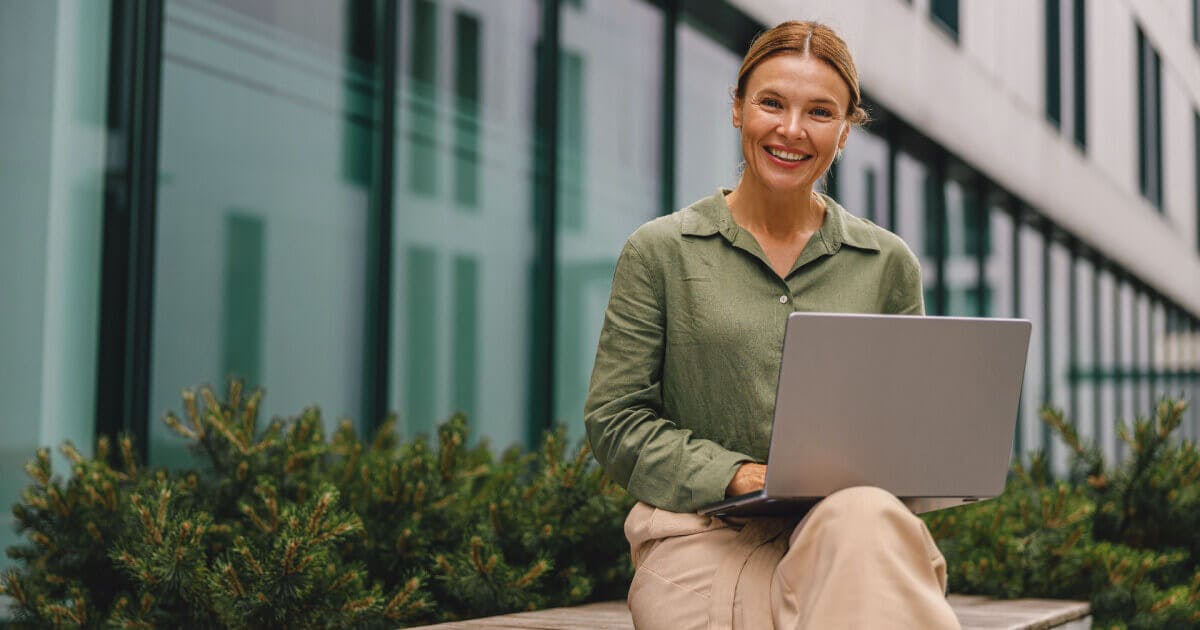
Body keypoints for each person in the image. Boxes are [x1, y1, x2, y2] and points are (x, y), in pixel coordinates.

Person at [583, 20, 961, 630]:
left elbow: (902, 435)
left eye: (819, 111)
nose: (791, 130)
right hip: (699, 537)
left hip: (846, 535)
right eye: (771, 103)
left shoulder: (888, 265)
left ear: (845, 129)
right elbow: (615, 420)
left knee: (866, 522)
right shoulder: (660, 252)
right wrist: (732, 474)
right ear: (737, 109)